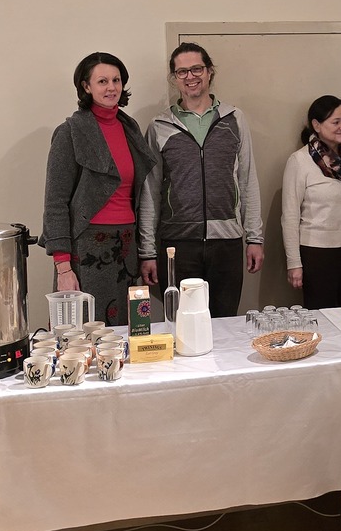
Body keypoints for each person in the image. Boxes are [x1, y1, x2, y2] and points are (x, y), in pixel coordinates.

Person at [137, 42, 264, 317]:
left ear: (209, 72)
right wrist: (147, 252)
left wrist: (255, 238)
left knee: (225, 324)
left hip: (227, 243)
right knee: (181, 324)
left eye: (196, 69)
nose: (190, 77)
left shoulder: (234, 119)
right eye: (182, 72)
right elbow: (150, 191)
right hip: (177, 245)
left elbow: (247, 181)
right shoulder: (159, 126)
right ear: (174, 78)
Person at [41, 52, 159, 327]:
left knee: (129, 332)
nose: (111, 88)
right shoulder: (70, 132)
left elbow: (139, 195)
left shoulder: (130, 129)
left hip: (127, 247)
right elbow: (55, 202)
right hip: (87, 249)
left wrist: (145, 252)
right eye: (102, 81)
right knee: (84, 335)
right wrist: (63, 267)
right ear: (86, 86)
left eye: (116, 80)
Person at [282, 95, 341, 309]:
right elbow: (290, 216)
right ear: (317, 125)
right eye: (336, 122)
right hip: (318, 253)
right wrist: (294, 263)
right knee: (322, 317)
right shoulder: (300, 161)